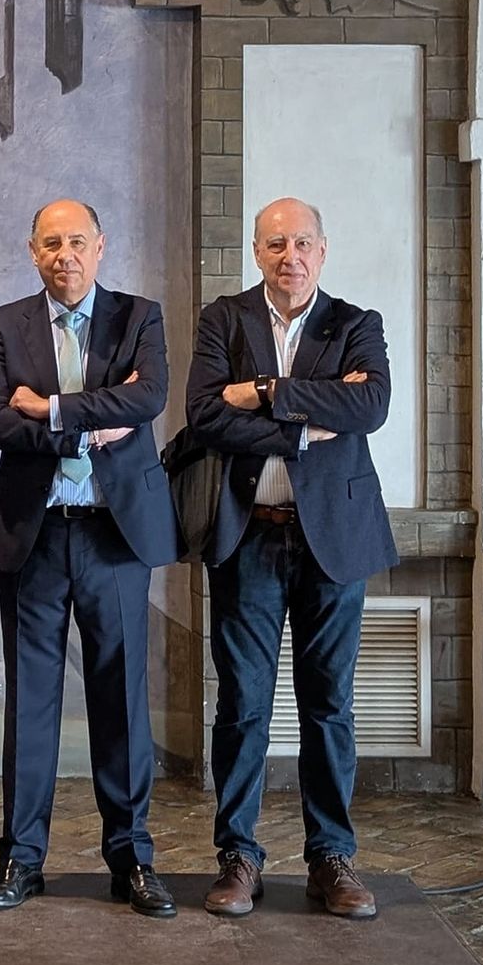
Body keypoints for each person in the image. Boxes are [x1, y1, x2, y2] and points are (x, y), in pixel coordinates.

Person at [187, 197, 393, 921]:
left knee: (329, 706)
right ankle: (238, 856)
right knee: (242, 705)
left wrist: (264, 392)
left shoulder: (356, 325)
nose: (290, 256)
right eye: (276, 244)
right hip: (248, 536)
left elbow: (369, 410)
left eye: (303, 243)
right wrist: (308, 424)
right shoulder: (224, 320)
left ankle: (331, 857)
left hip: (332, 541)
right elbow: (206, 416)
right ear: (257, 252)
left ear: (322, 251)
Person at [0, 200, 180, 919]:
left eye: (78, 242)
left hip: (114, 536)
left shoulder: (139, 316)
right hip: (33, 534)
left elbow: (148, 399)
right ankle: (20, 858)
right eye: (52, 243)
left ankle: (132, 859)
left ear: (101, 247)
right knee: (30, 702)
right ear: (33, 252)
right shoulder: (6, 323)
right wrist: (92, 424)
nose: (66, 254)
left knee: (120, 701)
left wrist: (50, 409)